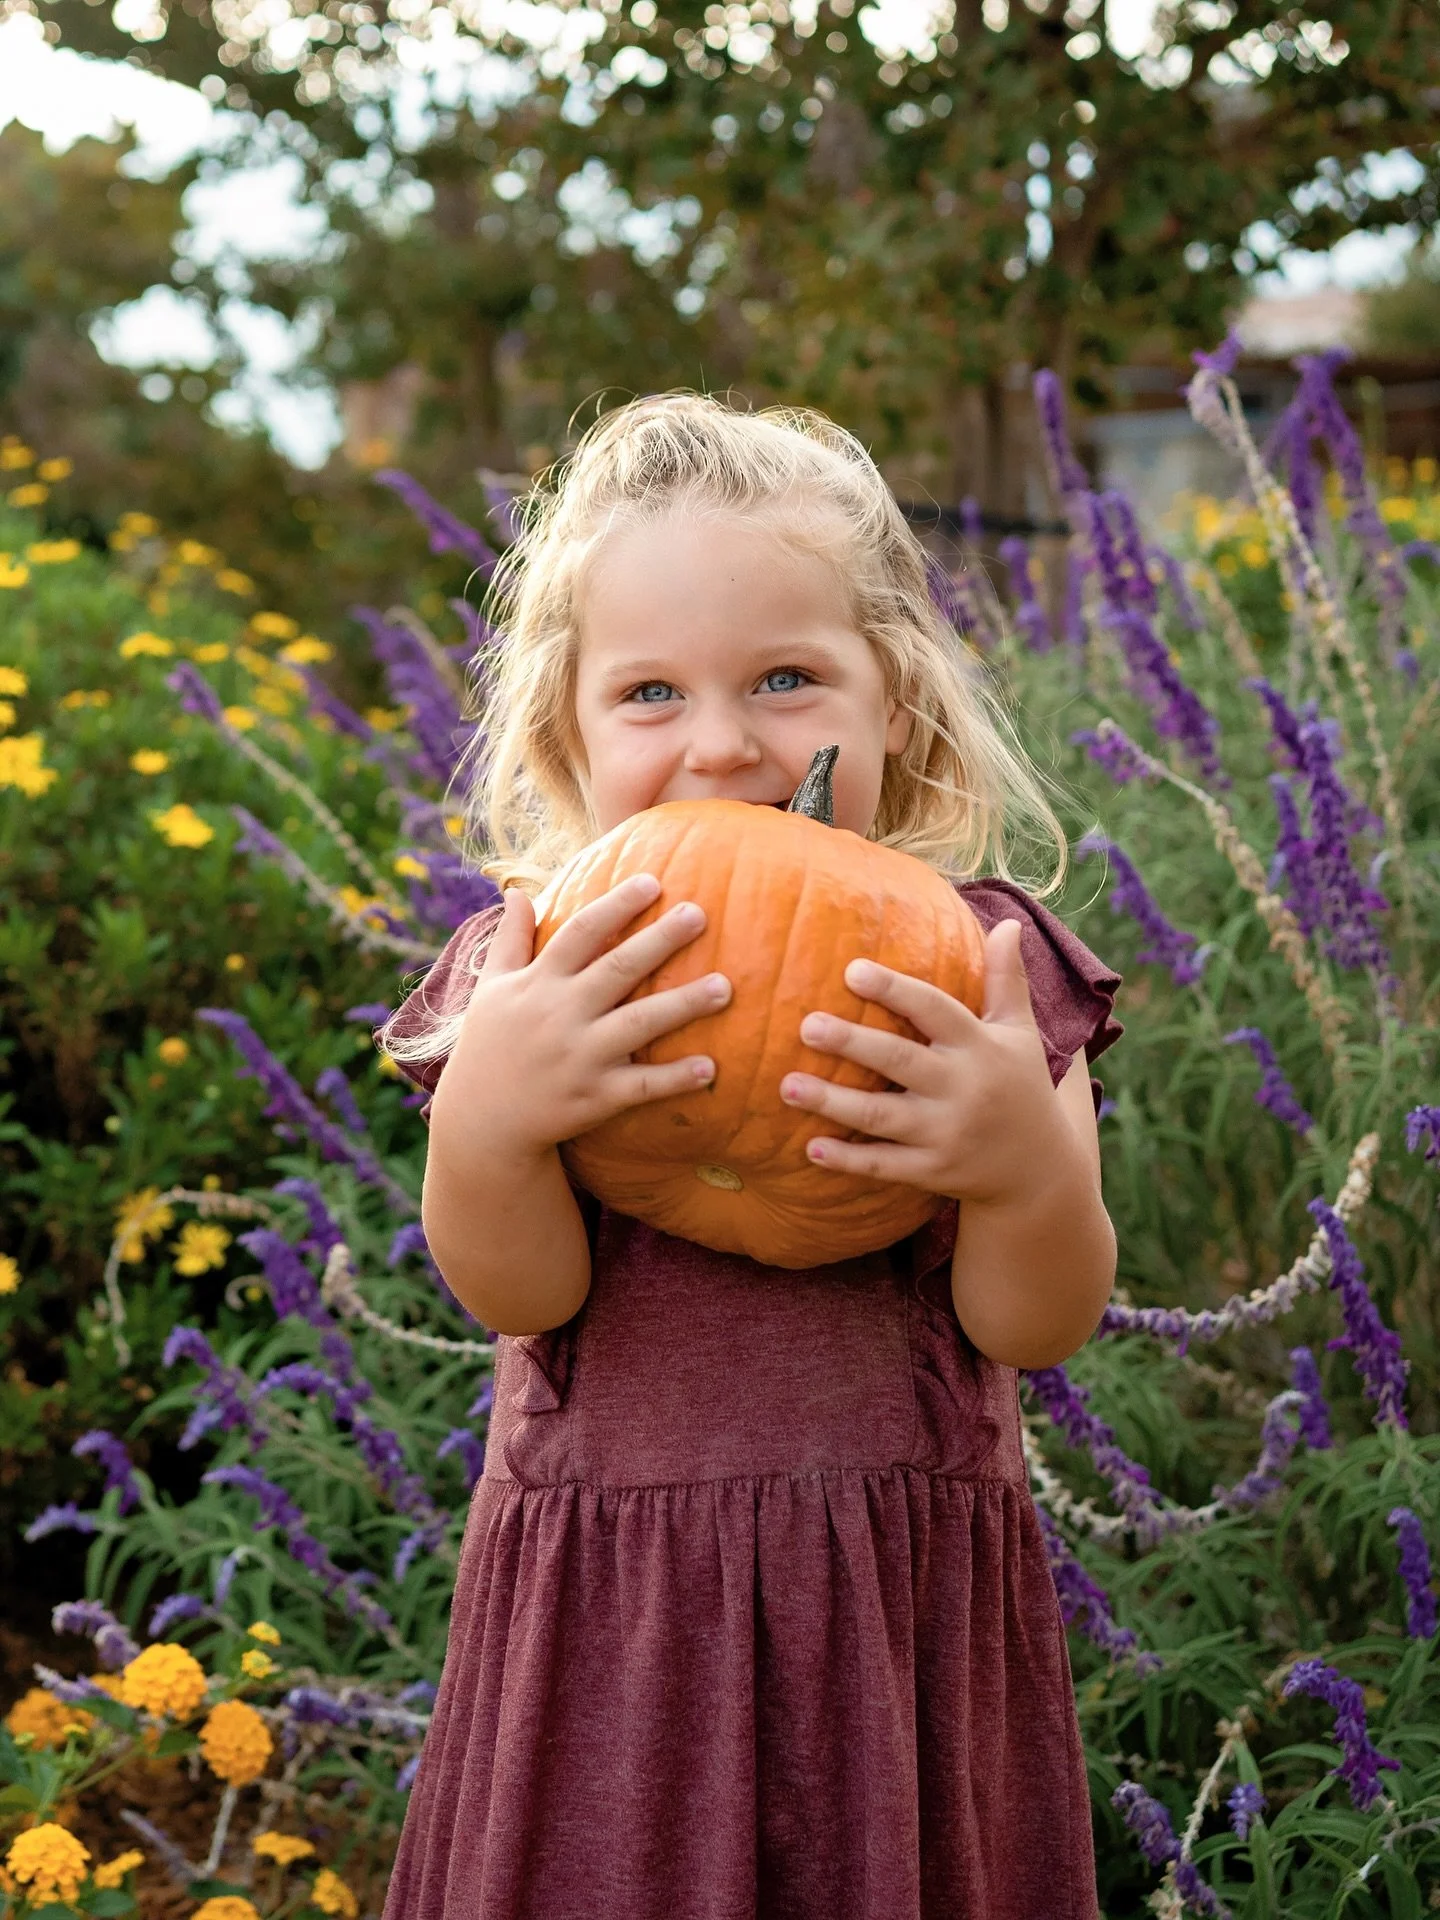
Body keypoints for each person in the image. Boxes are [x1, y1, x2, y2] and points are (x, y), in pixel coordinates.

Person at [375, 394, 1122, 1920]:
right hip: (614, 1634)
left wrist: (1016, 1167)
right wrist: (494, 1114)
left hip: (888, 1616)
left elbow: (1034, 1322)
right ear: (566, 731)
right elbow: (516, 1282)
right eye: (650, 692)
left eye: (789, 678)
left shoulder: (973, 970)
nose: (722, 742)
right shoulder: (537, 969)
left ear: (894, 702)